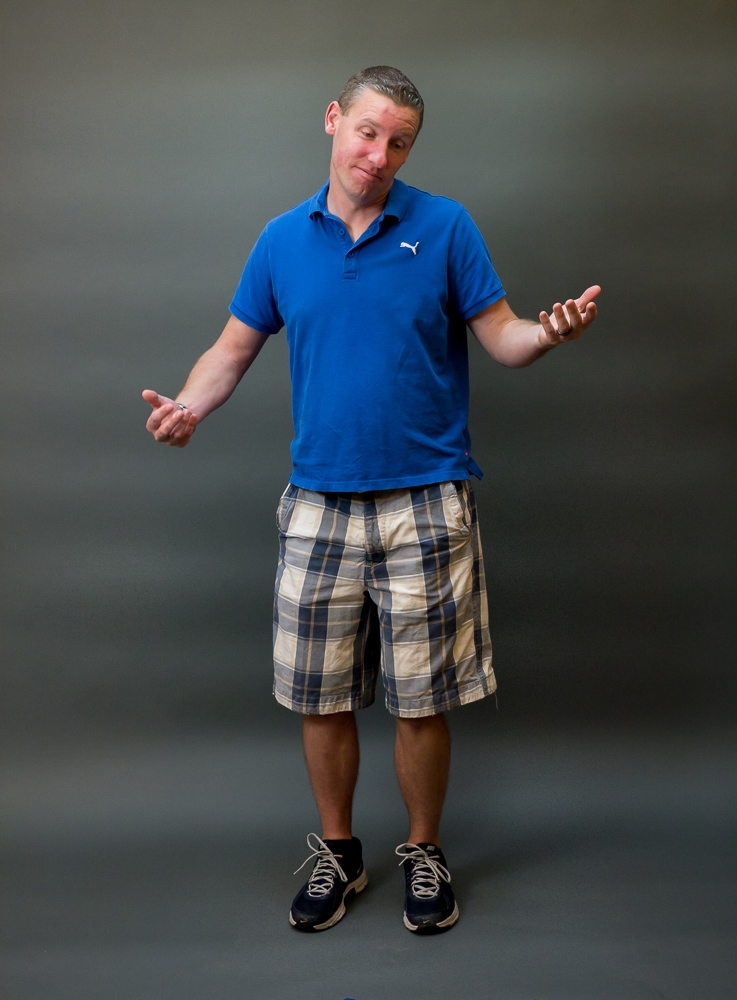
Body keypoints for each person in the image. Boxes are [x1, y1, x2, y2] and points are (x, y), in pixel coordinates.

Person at [143, 65, 599, 935]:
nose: (379, 155)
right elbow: (230, 350)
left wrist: (546, 332)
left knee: (422, 698)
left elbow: (503, 336)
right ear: (333, 120)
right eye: (367, 132)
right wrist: (189, 406)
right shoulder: (282, 240)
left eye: (399, 142)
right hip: (319, 501)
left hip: (427, 499)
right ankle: (340, 852)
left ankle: (425, 852)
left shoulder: (446, 225)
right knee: (320, 694)